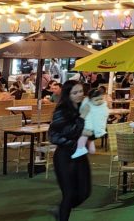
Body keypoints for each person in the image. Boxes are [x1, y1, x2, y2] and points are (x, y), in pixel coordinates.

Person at [48, 80, 92, 220]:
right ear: (68, 94)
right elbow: (64, 133)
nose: (79, 95)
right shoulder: (61, 111)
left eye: (80, 91)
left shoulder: (83, 107)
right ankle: (62, 215)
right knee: (69, 193)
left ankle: (60, 210)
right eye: (75, 92)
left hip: (80, 154)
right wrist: (82, 118)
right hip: (64, 156)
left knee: (85, 192)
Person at [71, 88, 109, 158]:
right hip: (92, 128)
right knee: (86, 138)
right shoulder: (88, 105)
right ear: (90, 100)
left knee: (84, 137)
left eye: (101, 99)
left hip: (93, 128)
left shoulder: (102, 105)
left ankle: (81, 149)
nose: (99, 101)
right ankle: (86, 149)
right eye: (96, 100)